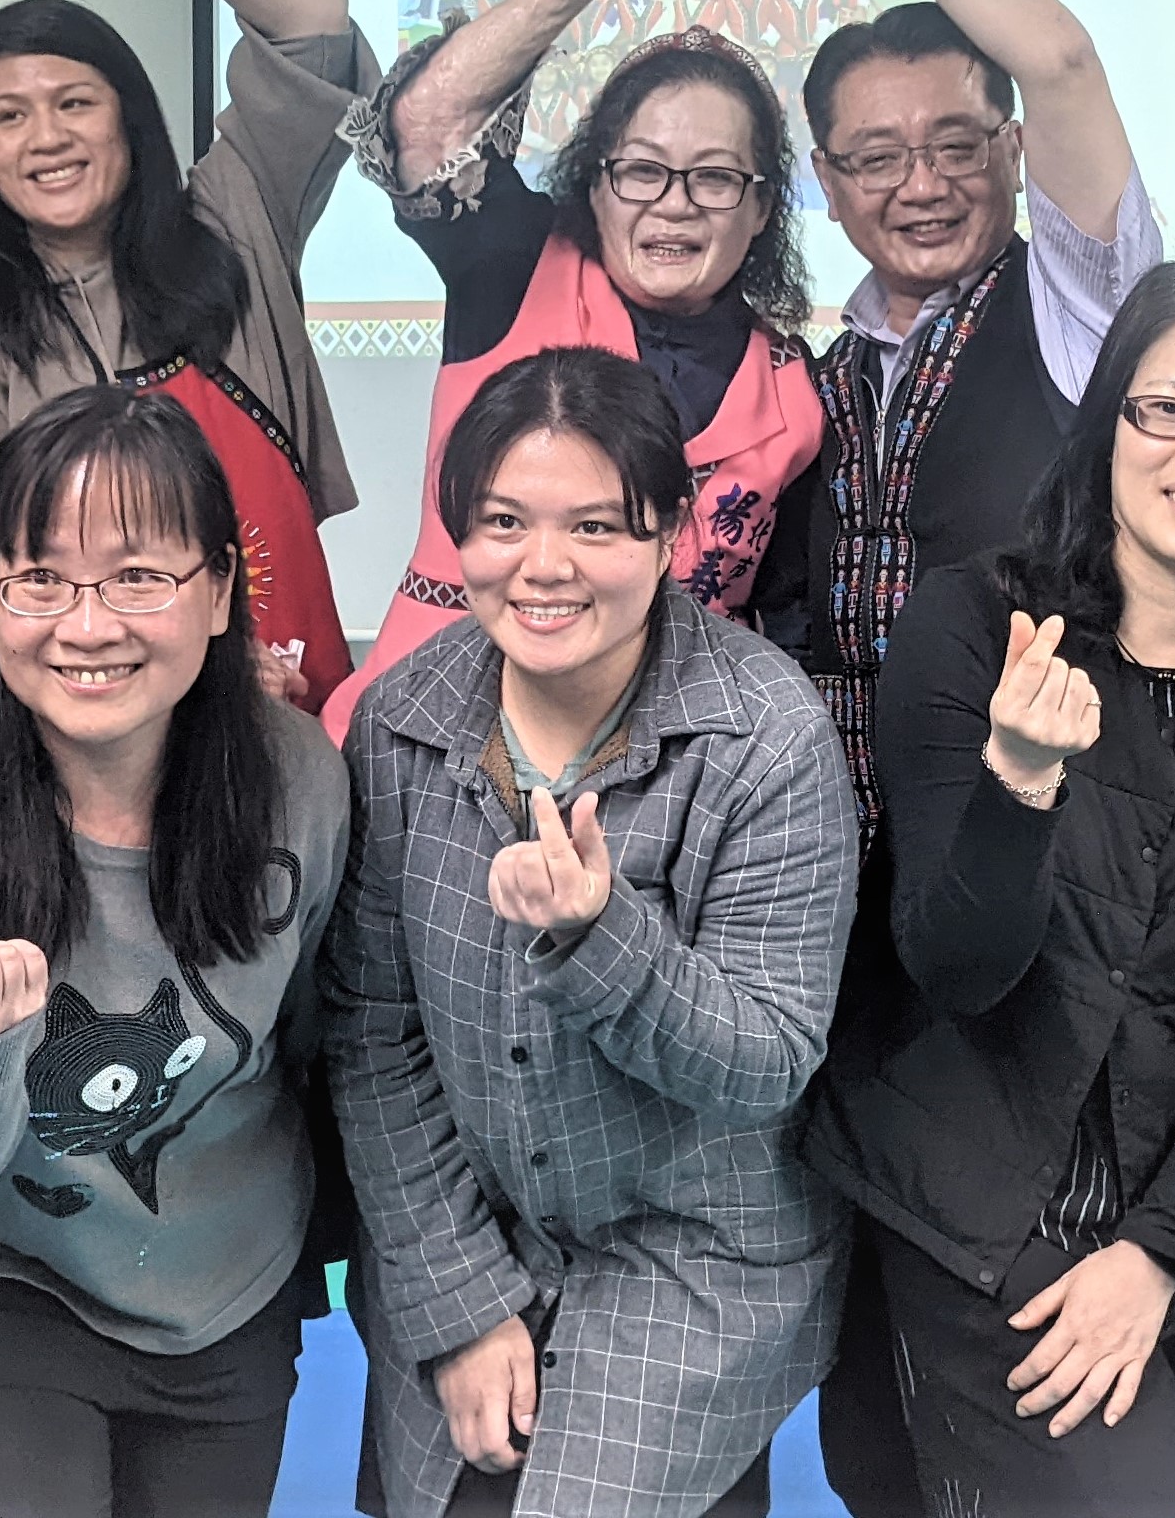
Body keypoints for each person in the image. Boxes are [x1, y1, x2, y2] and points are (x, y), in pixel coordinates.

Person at [699, 0, 1167, 1515]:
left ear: (1010, 153)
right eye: (871, 155)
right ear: (819, 182)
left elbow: (1064, 59)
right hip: (837, 900)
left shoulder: (1075, 309)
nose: (918, 180)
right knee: (867, 1329)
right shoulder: (814, 375)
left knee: (1010, 1298)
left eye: (956, 142)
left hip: (1037, 864)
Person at [804, 259, 1175, 1517]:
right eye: (1168, 410)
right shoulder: (973, 626)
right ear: (1107, 428)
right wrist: (1017, 781)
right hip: (975, 1180)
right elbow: (954, 965)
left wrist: (1155, 1249)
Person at [330, 348, 859, 1518]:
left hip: (693, 1250)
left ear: (670, 532)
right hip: (469, 1227)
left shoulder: (765, 735)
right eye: (502, 521)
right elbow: (373, 1039)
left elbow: (764, 1061)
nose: (544, 566)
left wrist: (600, 935)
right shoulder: (402, 725)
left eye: (596, 526)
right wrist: (459, 1305)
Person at [0, 386, 351, 1518]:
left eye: (136, 576)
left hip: (226, 1267)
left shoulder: (298, 779)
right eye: (39, 579)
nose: (86, 622)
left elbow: (309, 1031)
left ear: (217, 590)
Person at [325, 0, 824, 731]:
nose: (672, 202)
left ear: (761, 208)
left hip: (666, 779)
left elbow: (781, 627)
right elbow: (424, 125)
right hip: (425, 738)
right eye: (639, 171)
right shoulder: (513, 266)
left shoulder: (793, 389)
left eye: (712, 177)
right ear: (590, 186)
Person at [0, 0, 367, 712]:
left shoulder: (232, 219)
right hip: (95, 747)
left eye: (75, 102)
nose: (47, 137)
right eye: (9, 117)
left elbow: (314, 22)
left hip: (298, 719)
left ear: (129, 120)